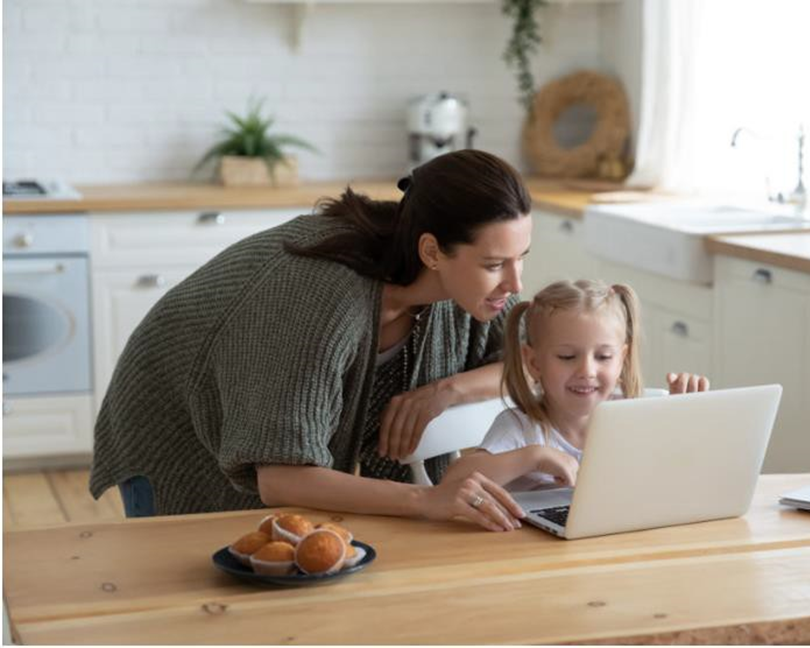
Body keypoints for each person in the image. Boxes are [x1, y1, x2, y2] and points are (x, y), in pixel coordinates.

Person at [89, 149, 531, 532]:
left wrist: (446, 390)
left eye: (520, 259)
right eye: (494, 264)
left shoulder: (472, 291)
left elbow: (536, 359)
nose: (514, 282)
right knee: (190, 602)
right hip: (175, 426)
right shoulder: (319, 299)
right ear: (432, 252)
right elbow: (282, 478)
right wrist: (428, 500)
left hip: (259, 422)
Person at [442, 279, 709, 491]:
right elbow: (452, 482)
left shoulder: (635, 416)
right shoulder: (521, 428)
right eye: (567, 357)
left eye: (604, 357)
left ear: (622, 360)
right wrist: (532, 457)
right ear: (534, 363)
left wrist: (684, 418)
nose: (587, 371)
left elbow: (684, 478)